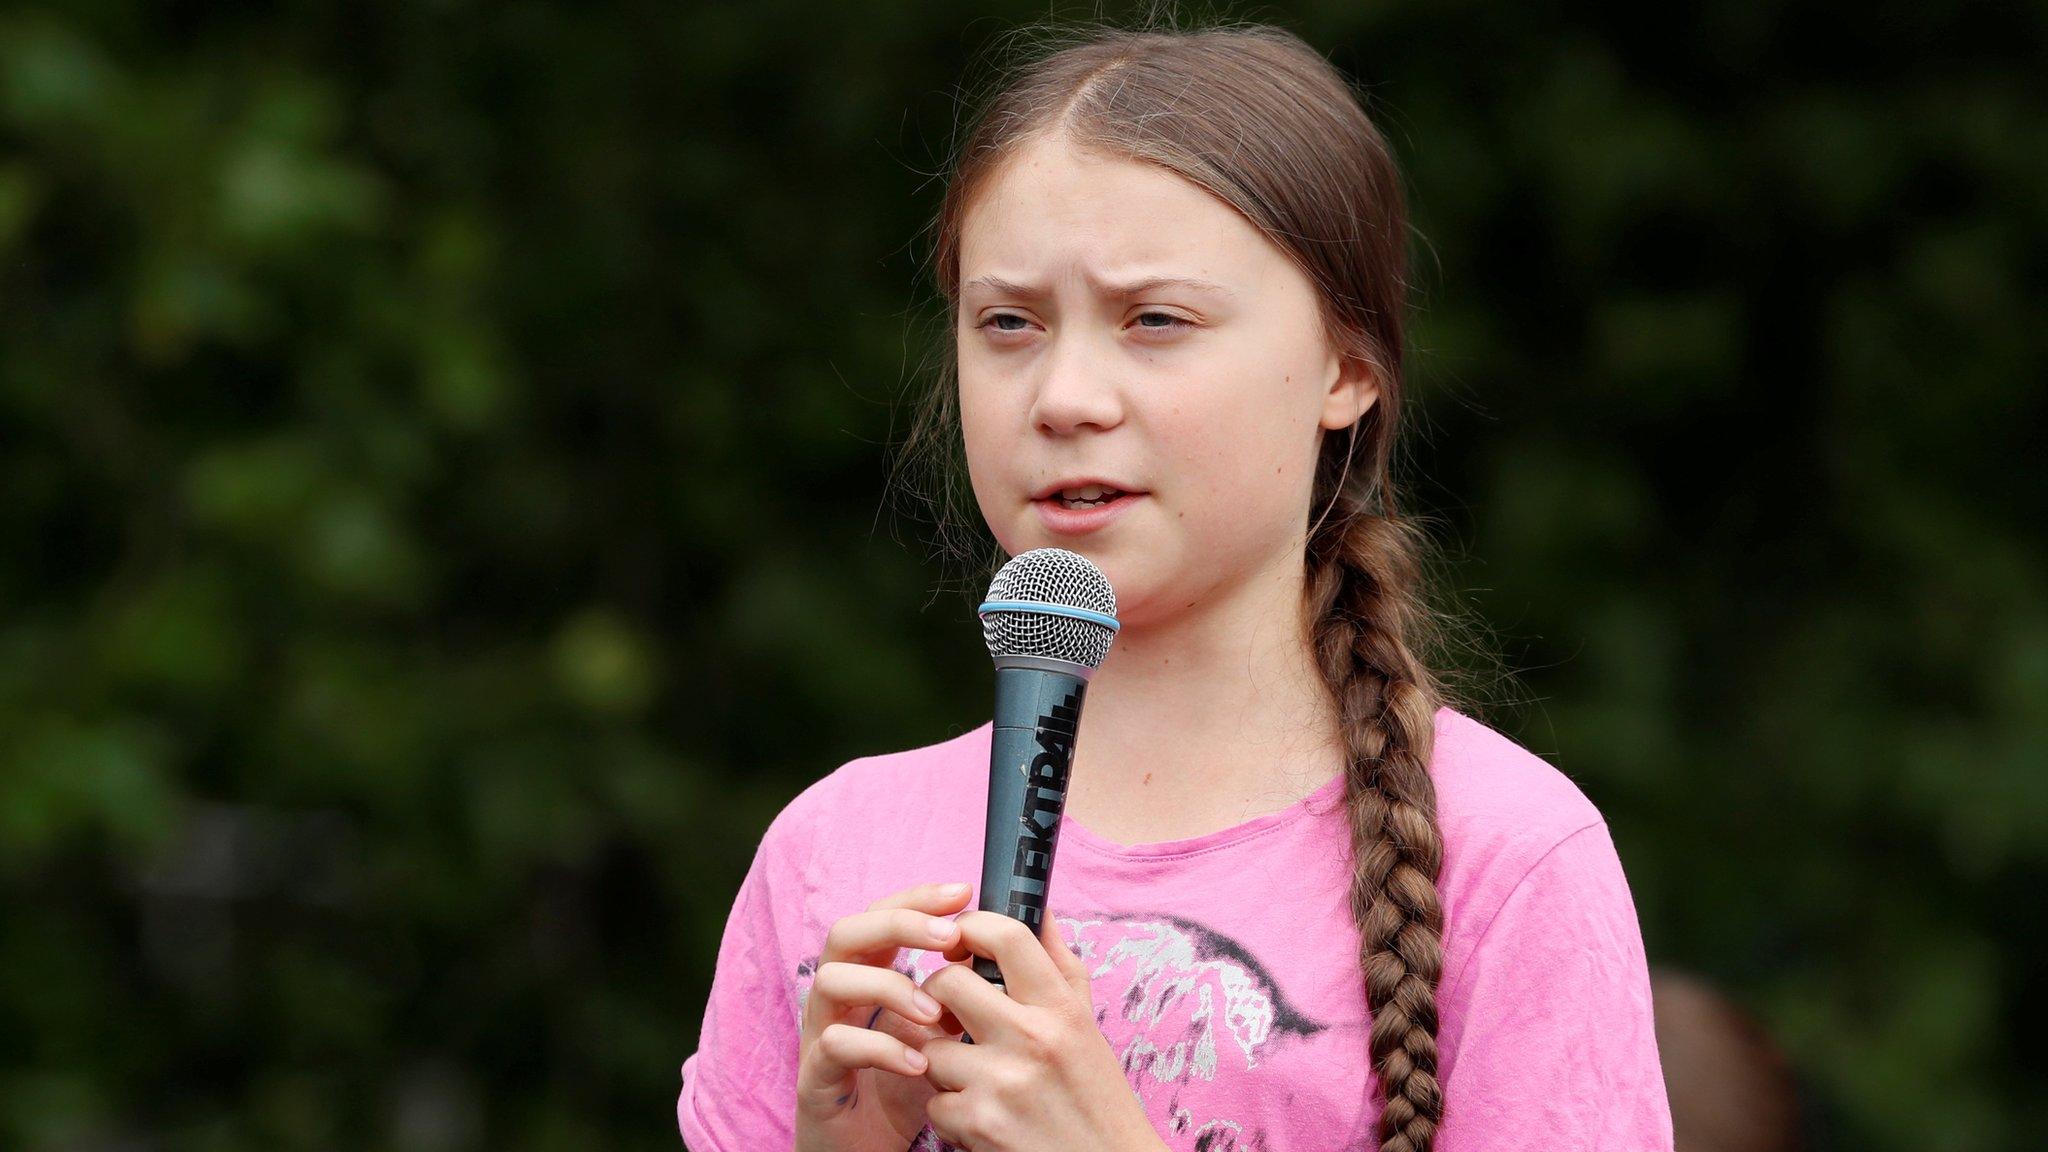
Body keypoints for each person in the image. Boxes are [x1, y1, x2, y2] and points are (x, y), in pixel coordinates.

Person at [678, 16, 1674, 1152]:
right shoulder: (831, 850)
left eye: (1154, 321)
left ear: (1346, 370)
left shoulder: (1507, 859)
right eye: (1008, 323)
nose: (1064, 396)